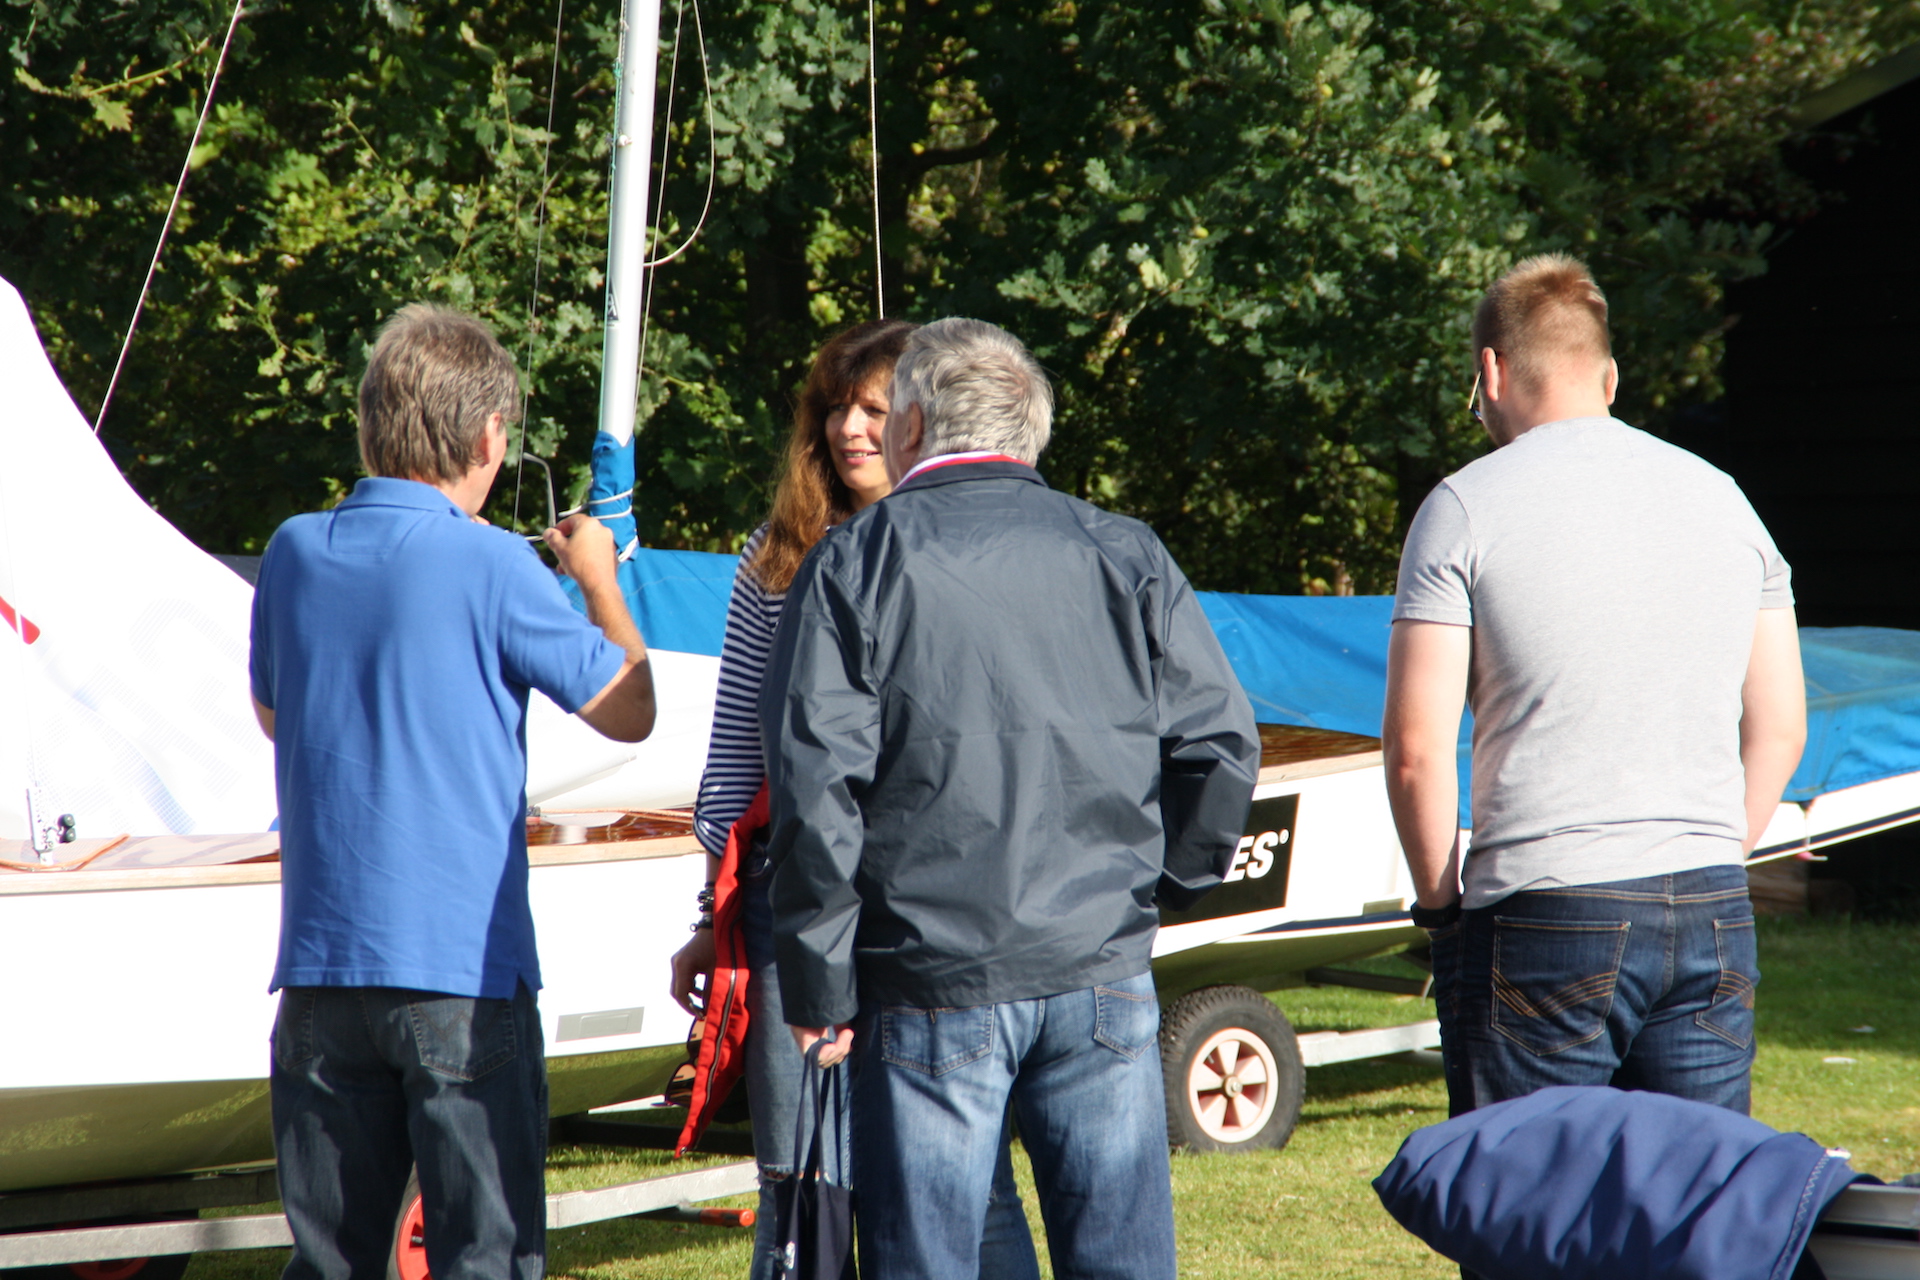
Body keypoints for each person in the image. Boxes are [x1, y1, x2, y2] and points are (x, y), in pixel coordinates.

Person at [762, 317, 1261, 1280]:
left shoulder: (856, 561)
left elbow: (817, 789)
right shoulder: (1123, 550)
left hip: (934, 976)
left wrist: (818, 984)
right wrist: (1156, 891)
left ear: (911, 425)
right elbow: (1220, 743)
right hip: (1087, 961)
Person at [249, 304, 656, 1280]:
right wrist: (598, 579)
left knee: (333, 1262)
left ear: (369, 424)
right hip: (460, 970)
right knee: (487, 1255)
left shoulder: (294, 550)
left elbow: (273, 713)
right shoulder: (496, 561)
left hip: (322, 967)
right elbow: (632, 709)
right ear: (488, 438)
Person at [1382, 254, 1808, 1125]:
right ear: (1609, 377)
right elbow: (1780, 729)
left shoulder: (1463, 507)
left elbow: (1418, 751)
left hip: (1545, 904)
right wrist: (1713, 848)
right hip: (1710, 899)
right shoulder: (1726, 501)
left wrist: (1440, 908)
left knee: (1535, 1193)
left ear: (1491, 371)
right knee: (1698, 1191)